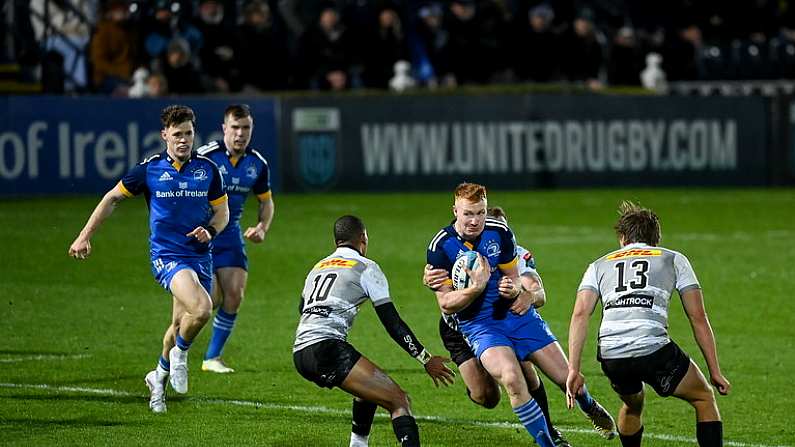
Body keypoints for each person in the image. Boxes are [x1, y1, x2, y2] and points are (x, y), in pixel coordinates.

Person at [425, 183, 616, 446]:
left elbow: (516, 278)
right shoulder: (440, 246)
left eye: (480, 213)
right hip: (480, 326)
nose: (475, 220)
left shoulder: (500, 232)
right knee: (513, 379)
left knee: (566, 378)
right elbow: (446, 303)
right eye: (468, 213)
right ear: (455, 210)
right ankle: (548, 443)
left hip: (517, 316)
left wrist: (513, 287)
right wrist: (477, 287)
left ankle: (588, 404)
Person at [68, 105, 229, 413]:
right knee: (203, 307)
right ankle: (181, 356)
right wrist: (84, 235)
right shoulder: (150, 169)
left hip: (199, 256)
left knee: (179, 324)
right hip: (167, 255)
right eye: (178, 134)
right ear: (164, 135)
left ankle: (158, 378)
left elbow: (222, 213)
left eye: (189, 134)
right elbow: (112, 197)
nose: (184, 140)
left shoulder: (208, 170)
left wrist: (210, 230)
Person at [566, 201, 731, 447]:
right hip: (653, 349)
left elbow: (580, 314)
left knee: (632, 405)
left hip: (612, 354)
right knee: (704, 397)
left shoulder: (598, 265)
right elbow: (697, 317)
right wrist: (714, 371)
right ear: (656, 239)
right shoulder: (673, 259)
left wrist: (573, 370)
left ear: (622, 238)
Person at [293, 215, 454, 447]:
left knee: (367, 392)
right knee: (399, 400)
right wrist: (425, 359)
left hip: (301, 352)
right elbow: (391, 321)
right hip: (327, 348)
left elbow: (303, 308)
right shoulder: (366, 267)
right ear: (363, 238)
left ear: (337, 241)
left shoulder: (317, 268)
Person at [421, 206, 570, 446]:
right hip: (458, 329)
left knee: (527, 375)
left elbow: (538, 292)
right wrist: (432, 277)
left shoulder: (517, 256)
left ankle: (549, 433)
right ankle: (479, 379)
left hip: (498, 322)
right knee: (487, 397)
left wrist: (529, 296)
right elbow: (441, 281)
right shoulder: (452, 252)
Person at [197, 104, 274, 373]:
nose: (240, 134)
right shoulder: (206, 157)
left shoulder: (257, 164)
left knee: (235, 295)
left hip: (230, 236)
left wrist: (262, 227)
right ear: (224, 129)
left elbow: (266, 201)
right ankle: (176, 346)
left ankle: (211, 358)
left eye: (246, 128)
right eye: (235, 128)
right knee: (209, 301)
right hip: (203, 235)